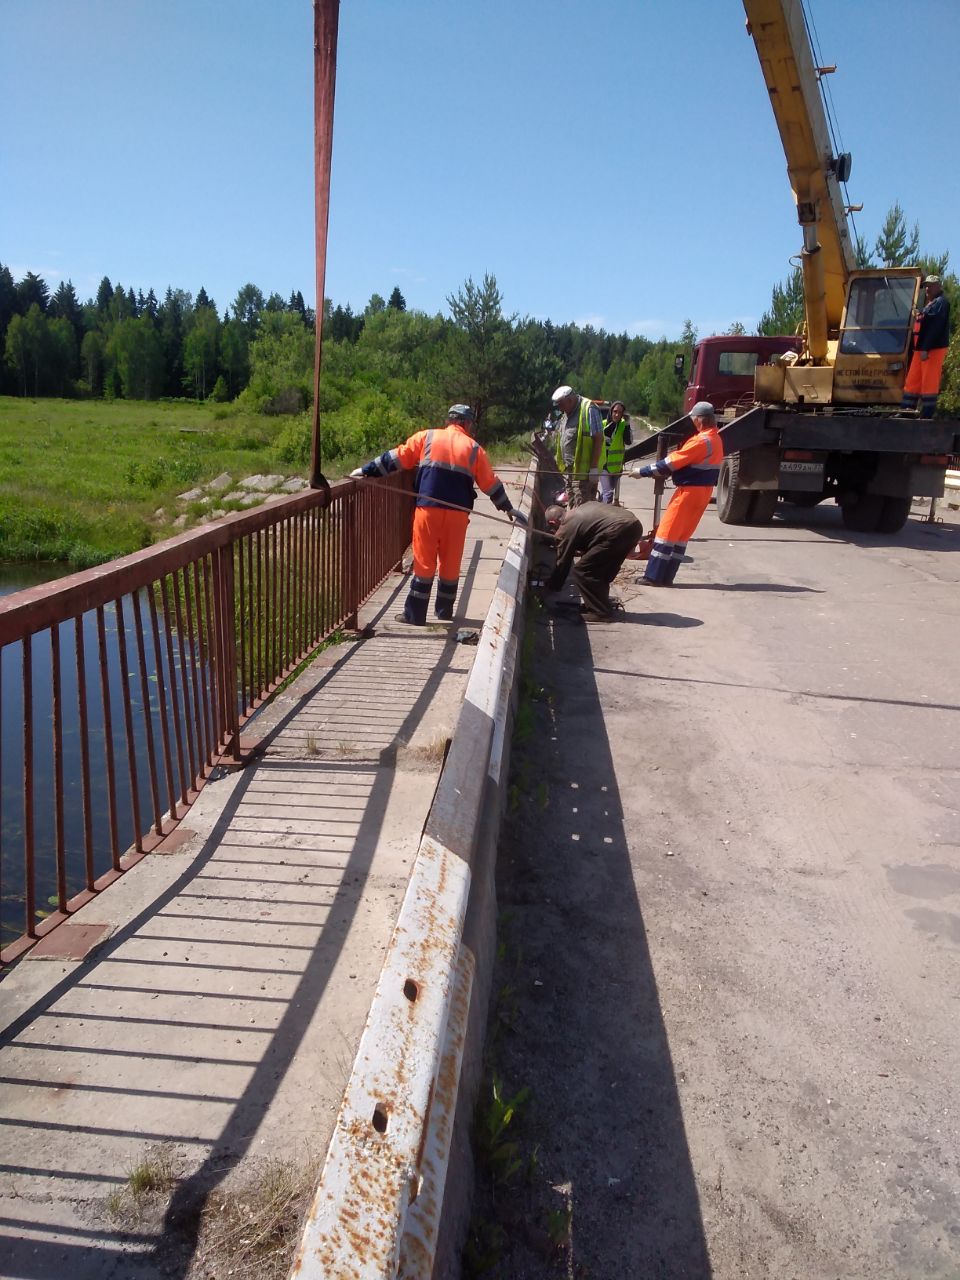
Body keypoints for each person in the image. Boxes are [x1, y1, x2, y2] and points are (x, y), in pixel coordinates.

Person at [351, 405, 527, 624]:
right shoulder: (474, 449)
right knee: (451, 562)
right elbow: (490, 483)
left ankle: (415, 614)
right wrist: (507, 508)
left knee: (424, 562)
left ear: (450, 421)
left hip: (428, 510)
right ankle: (444, 611)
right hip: (458, 516)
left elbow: (398, 457)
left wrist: (367, 469)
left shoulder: (427, 437)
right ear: (467, 424)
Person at [634, 400, 724, 586]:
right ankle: (667, 577)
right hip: (703, 492)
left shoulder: (701, 441)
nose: (692, 422)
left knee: (667, 533)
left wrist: (642, 472)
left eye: (693, 419)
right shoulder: (715, 438)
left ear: (700, 419)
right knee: (681, 536)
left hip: (689, 492)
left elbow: (671, 463)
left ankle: (654, 577)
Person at [542, 501, 643, 622]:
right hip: (634, 526)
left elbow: (563, 561)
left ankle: (600, 612)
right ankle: (598, 604)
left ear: (553, 522)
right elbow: (593, 536)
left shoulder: (566, 527)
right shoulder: (580, 510)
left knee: (583, 570)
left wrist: (552, 586)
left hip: (618, 530)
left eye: (553, 528)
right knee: (601, 569)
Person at [901, 276, 951, 419]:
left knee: (929, 381)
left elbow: (935, 327)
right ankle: (907, 409)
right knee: (913, 380)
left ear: (938, 286)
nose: (927, 289)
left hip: (931, 350)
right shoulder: (930, 304)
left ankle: (927, 413)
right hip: (920, 349)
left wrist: (925, 348)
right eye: (926, 286)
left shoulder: (941, 303)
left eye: (930, 286)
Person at [551, 385, 604, 506]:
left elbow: (598, 439)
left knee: (582, 512)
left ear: (569, 400)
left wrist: (594, 468)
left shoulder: (588, 409)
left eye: (561, 404)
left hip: (584, 475)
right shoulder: (566, 413)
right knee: (572, 508)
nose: (560, 408)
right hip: (570, 473)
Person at [599, 401, 633, 504]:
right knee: (608, 494)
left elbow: (628, 442)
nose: (617, 414)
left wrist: (627, 424)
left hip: (616, 467)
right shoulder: (603, 424)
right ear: (611, 411)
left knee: (607, 491)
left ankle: (599, 503)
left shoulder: (624, 426)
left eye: (620, 412)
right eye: (615, 411)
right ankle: (605, 515)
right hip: (603, 465)